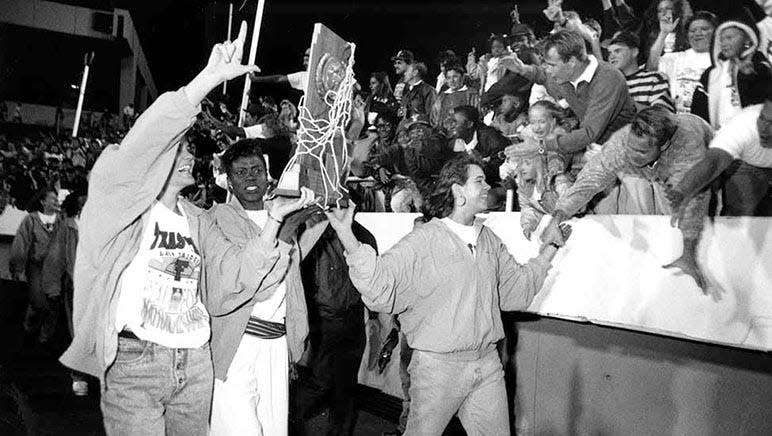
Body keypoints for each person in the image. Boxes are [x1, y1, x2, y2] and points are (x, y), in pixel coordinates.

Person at [59, 22, 313, 435]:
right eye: (178, 147)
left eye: (189, 148)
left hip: (196, 362)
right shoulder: (119, 206)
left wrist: (275, 224)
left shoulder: (199, 217)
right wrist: (207, 80)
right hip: (136, 362)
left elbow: (236, 275)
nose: (188, 154)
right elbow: (143, 141)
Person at [324, 155, 571, 435]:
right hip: (437, 369)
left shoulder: (488, 239)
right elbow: (379, 286)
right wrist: (345, 233)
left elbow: (517, 291)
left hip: (487, 365)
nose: (488, 186)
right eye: (479, 181)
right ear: (458, 191)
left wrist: (549, 249)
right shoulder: (424, 240)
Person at [207, 140, 318, 436]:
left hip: (276, 343)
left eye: (256, 170)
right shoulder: (217, 220)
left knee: (274, 431)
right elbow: (253, 283)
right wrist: (286, 230)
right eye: (241, 173)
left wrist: (291, 347)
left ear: (268, 175)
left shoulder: (282, 212)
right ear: (228, 181)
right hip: (237, 345)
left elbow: (290, 285)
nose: (250, 178)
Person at [541, 107, 713, 289]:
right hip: (661, 166)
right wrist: (557, 217)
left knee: (690, 207)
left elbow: (696, 199)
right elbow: (589, 180)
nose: (632, 155)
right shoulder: (622, 142)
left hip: (709, 155)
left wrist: (688, 253)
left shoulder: (687, 147)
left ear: (663, 146)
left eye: (641, 152)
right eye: (631, 148)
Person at [292, 211, 378, 436]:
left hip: (353, 321)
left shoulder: (364, 236)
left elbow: (373, 280)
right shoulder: (313, 235)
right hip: (323, 322)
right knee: (319, 383)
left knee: (346, 390)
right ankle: (287, 423)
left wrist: (374, 320)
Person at [503, 30, 636, 171]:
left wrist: (541, 147)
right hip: (596, 144)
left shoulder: (608, 79)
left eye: (552, 65)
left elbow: (589, 133)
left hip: (628, 150)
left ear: (572, 61)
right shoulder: (565, 75)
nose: (548, 70)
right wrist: (522, 69)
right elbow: (542, 76)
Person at [668, 103, 772, 219]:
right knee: (739, 215)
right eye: (762, 118)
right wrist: (683, 190)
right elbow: (714, 162)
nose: (763, 128)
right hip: (746, 164)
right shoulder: (743, 125)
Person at [41, 190, 88, 396]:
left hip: (99, 286)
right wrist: (52, 287)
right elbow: (55, 258)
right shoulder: (67, 228)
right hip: (76, 287)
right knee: (77, 330)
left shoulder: (102, 226)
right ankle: (79, 375)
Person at [10, 187, 62, 347]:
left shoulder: (61, 220)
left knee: (54, 302)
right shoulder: (31, 220)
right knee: (38, 301)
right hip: (36, 267)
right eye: (52, 198)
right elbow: (20, 244)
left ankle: (45, 337)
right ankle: (29, 325)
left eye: (56, 198)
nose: (56, 201)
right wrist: (17, 267)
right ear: (42, 201)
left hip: (55, 269)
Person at [656, 11, 717, 113]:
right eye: (693, 30)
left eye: (704, 29)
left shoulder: (721, 61)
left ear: (716, 32)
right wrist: (663, 34)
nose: (698, 33)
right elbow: (651, 67)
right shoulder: (675, 58)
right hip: (677, 120)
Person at [607, 31, 675, 112]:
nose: (611, 56)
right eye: (609, 52)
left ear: (634, 52)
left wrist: (625, 104)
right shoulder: (608, 84)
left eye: (617, 51)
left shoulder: (654, 79)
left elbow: (662, 115)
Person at [430, 64, 480, 134]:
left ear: (462, 77)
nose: (452, 81)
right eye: (448, 78)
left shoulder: (472, 94)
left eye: (455, 77)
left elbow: (476, 115)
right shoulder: (442, 97)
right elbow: (434, 118)